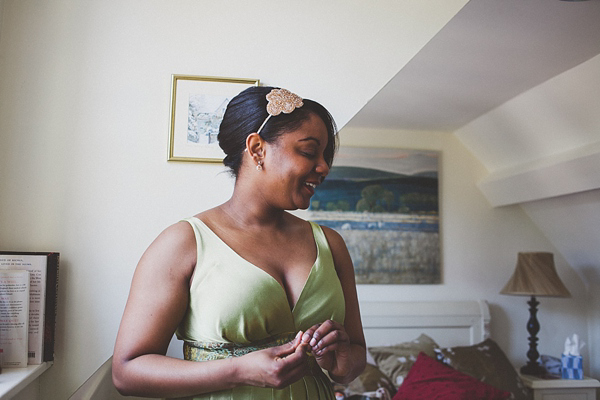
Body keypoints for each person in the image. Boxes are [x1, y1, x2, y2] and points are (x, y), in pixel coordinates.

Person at [112, 86, 366, 399]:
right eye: (309, 152)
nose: (324, 167)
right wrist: (238, 370)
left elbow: (354, 360)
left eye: (325, 157)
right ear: (257, 148)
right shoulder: (183, 243)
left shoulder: (331, 245)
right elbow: (127, 373)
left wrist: (339, 359)